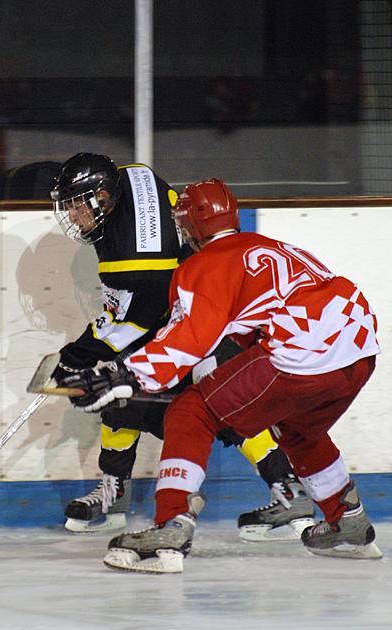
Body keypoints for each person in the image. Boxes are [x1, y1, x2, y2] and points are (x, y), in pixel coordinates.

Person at [62, 178, 382, 573]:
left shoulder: (204, 264)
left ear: (189, 226)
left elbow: (188, 338)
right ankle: (348, 521)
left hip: (302, 350)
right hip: (360, 349)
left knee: (191, 412)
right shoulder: (274, 247)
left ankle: (170, 527)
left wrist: (126, 375)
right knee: (298, 429)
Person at [47, 153, 314, 540]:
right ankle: (115, 492)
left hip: (204, 316)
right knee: (123, 398)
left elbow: (131, 320)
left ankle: (288, 492)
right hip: (186, 303)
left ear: (103, 197)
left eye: (77, 205)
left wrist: (78, 356)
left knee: (222, 402)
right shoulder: (133, 176)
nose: (72, 216)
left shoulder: (135, 261)